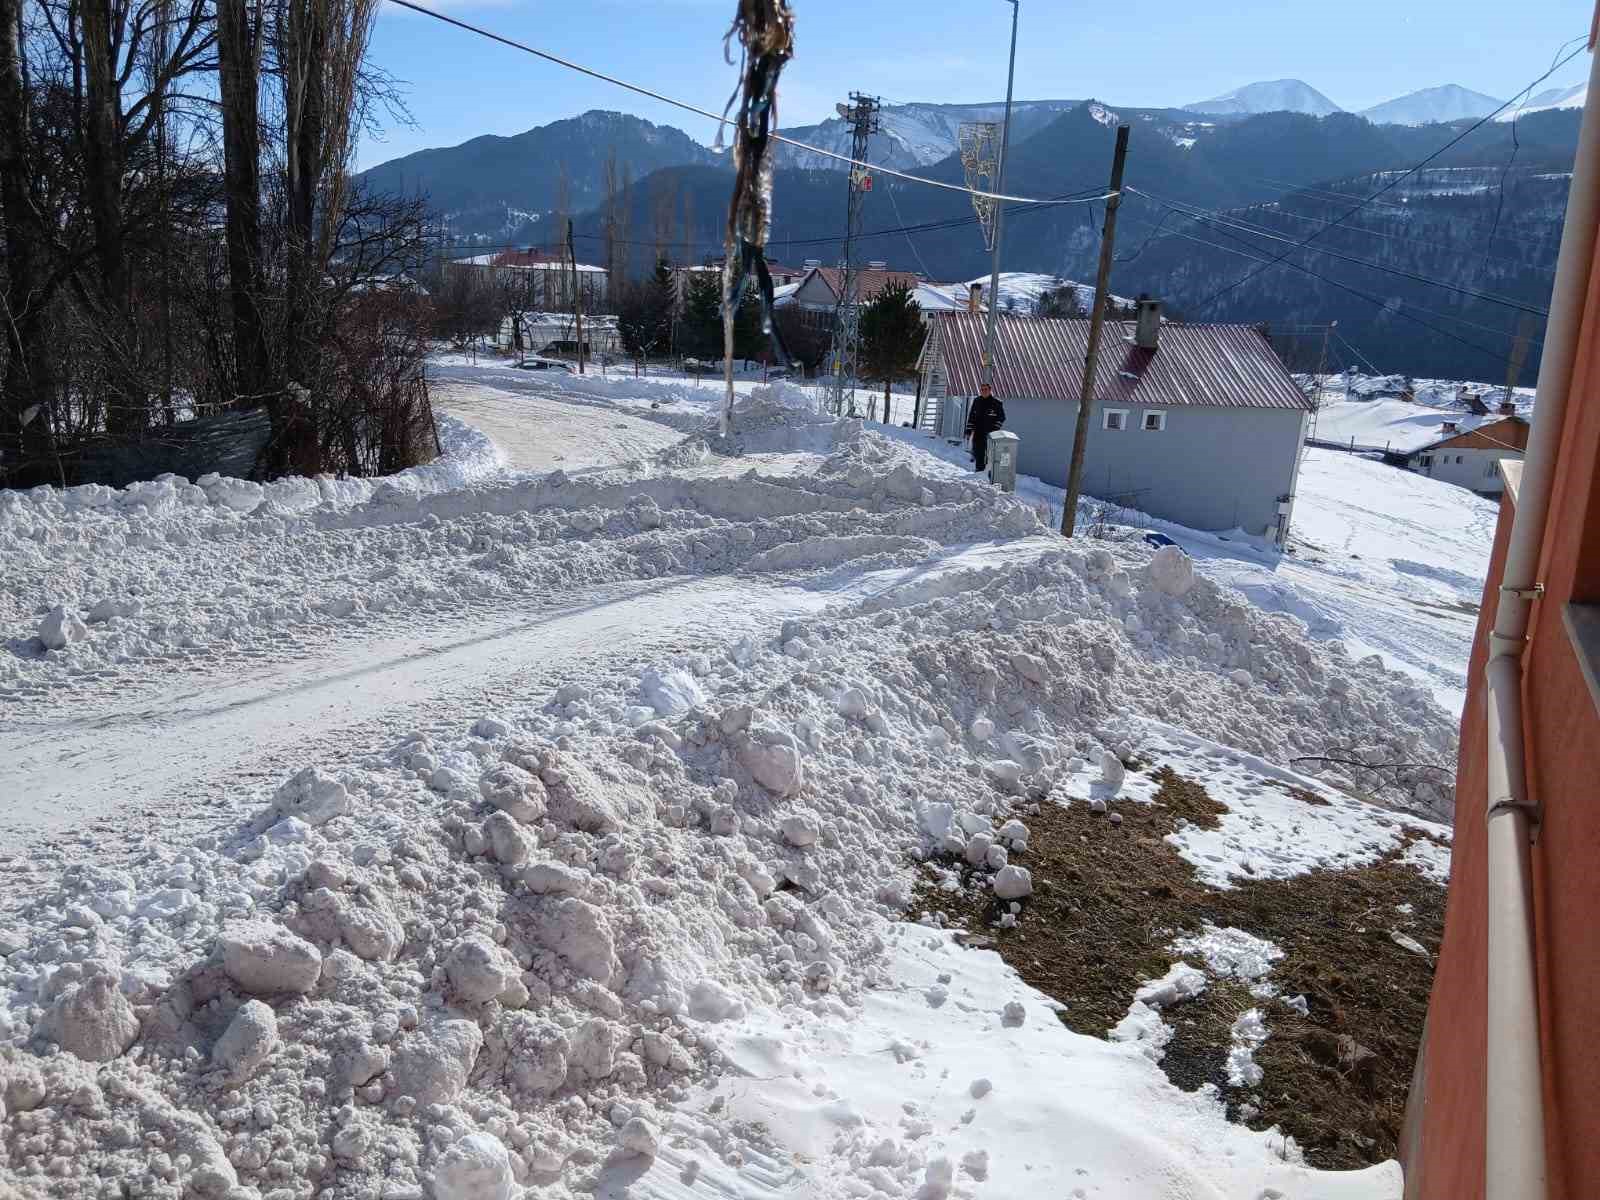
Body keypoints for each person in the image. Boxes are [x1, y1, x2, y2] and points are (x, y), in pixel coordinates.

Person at [965, 383, 1006, 473]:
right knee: (978, 452)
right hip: (978, 432)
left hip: (990, 433)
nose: (984, 391)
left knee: (989, 454)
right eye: (982, 389)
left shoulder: (996, 402)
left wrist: (995, 430)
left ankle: (988, 473)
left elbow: (1002, 418)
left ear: (990, 390)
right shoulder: (977, 401)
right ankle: (978, 471)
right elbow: (972, 416)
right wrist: (969, 430)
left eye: (986, 389)